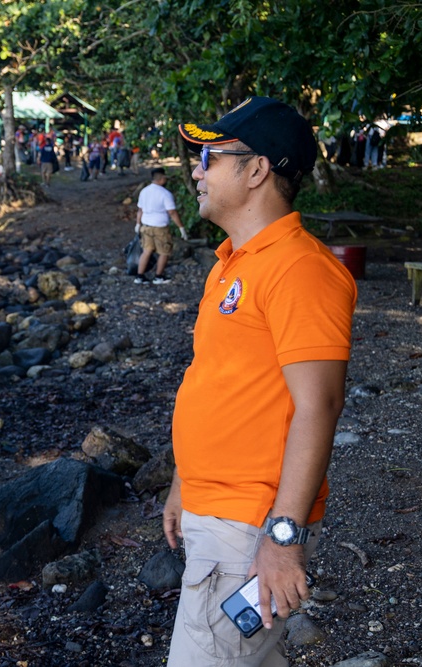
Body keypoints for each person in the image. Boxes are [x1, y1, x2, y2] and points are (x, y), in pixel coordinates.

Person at [165, 96, 357, 665]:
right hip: (216, 510)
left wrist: (283, 539)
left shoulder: (300, 269)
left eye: (210, 157)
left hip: (250, 527)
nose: (197, 170)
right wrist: (183, 480)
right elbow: (215, 379)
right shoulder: (233, 262)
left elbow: (318, 406)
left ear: (256, 170)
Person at [134, 167, 188, 284]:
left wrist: (138, 224)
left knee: (147, 251)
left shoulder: (144, 191)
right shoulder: (165, 193)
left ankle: (140, 276)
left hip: (146, 226)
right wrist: (181, 227)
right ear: (162, 179)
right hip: (160, 227)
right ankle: (159, 276)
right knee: (164, 252)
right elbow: (172, 212)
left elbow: (140, 210)